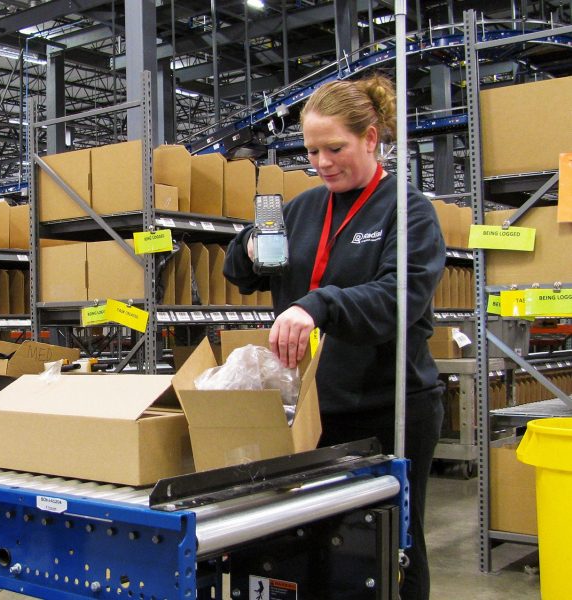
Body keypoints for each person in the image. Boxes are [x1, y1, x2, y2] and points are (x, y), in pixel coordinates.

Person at [223, 74, 445, 600]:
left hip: (386, 407)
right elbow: (241, 272)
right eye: (312, 150)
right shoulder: (301, 209)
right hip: (310, 408)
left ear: (371, 138)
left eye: (335, 148)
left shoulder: (408, 211)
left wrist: (316, 305)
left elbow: (397, 298)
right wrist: (249, 249)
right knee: (309, 541)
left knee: (390, 544)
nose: (322, 163)